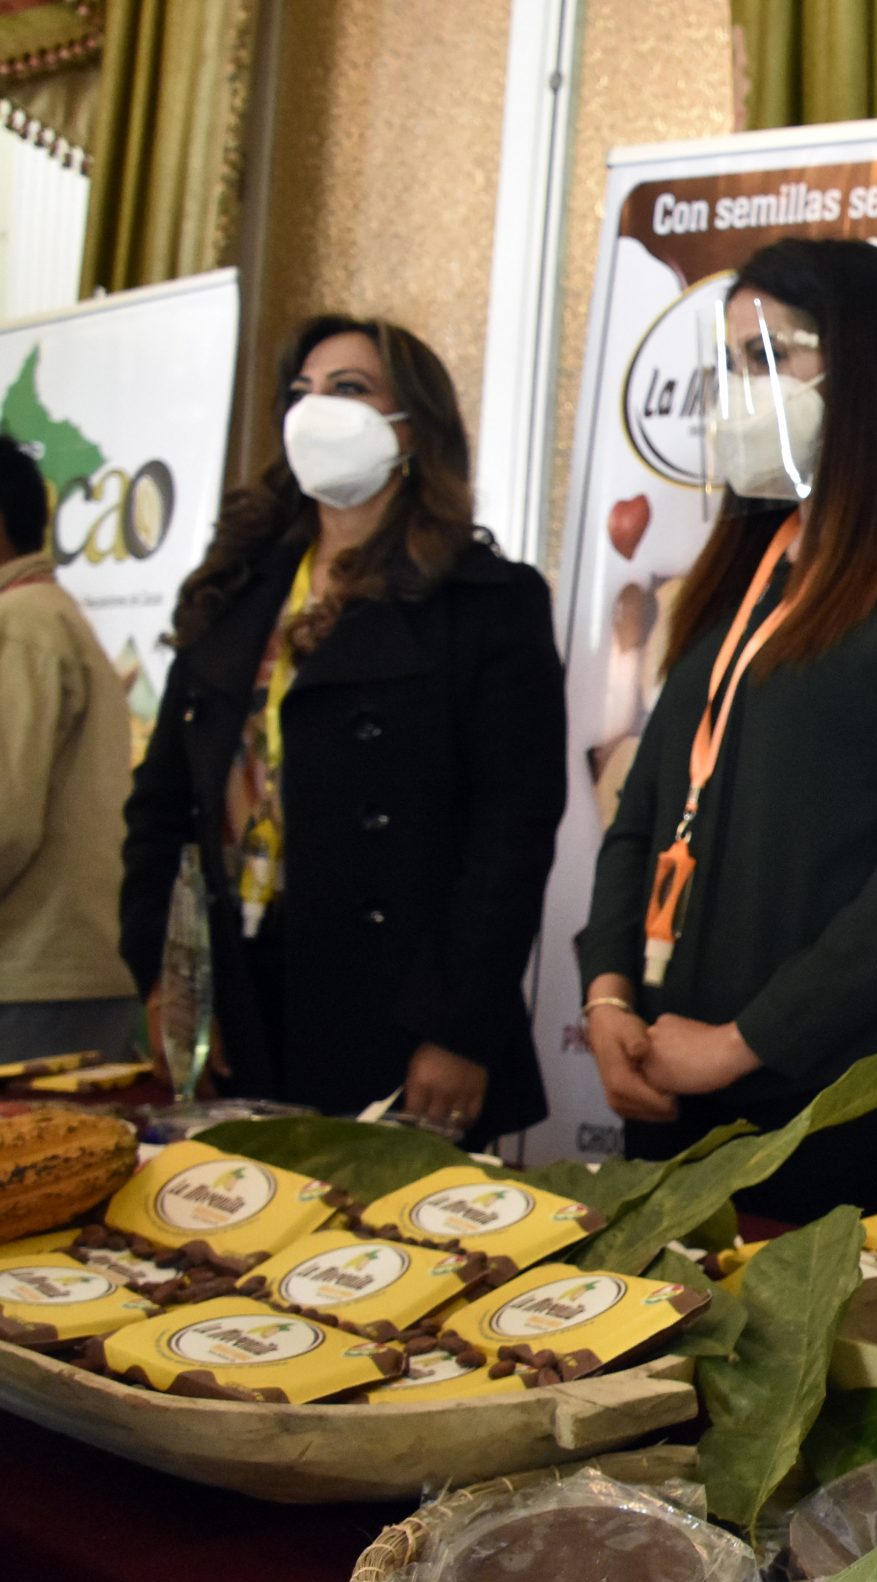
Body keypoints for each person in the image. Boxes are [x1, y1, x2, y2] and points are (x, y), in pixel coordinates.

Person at [577, 238, 877, 1221]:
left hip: (848, 1105)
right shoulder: (745, 573)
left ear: (865, 368)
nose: (738, 390)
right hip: (675, 1085)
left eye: (769, 356)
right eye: (730, 361)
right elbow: (645, 813)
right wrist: (608, 994)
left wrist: (741, 1043)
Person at [121, 316, 566, 1139]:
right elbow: (160, 812)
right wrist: (162, 977)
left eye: (349, 389)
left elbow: (512, 830)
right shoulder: (234, 591)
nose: (315, 410)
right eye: (302, 393)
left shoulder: (488, 603)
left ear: (413, 427)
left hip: (397, 1008)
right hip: (239, 997)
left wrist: (458, 1025)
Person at [0, 435, 139, 1061]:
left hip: (31, 977)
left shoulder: (19, 623)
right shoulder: (45, 615)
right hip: (56, 971)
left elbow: (6, 821)